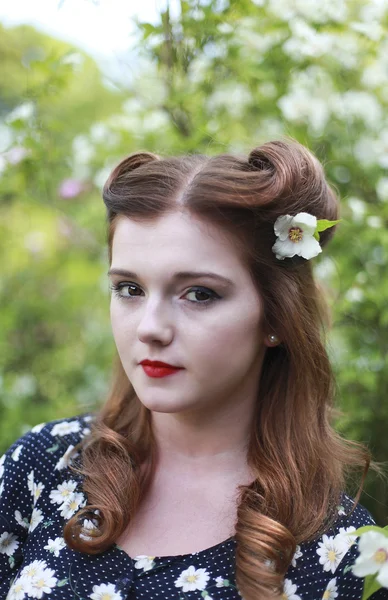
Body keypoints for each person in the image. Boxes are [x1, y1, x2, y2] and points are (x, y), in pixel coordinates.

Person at [1, 138, 387, 600]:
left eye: (199, 294)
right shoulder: (45, 466)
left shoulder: (339, 552)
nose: (150, 328)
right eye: (128, 288)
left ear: (275, 317)